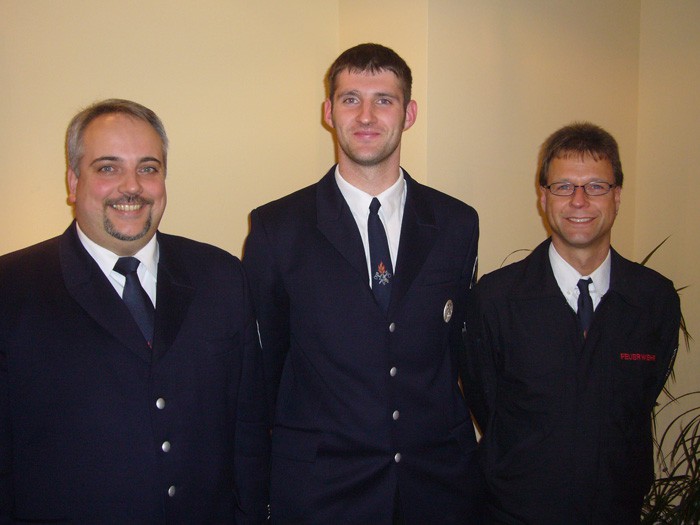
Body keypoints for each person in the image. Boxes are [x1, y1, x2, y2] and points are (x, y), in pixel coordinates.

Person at [243, 43, 482, 524]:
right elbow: (265, 366)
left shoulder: (458, 222)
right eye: (351, 99)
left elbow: (456, 350)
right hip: (323, 491)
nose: (366, 115)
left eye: (384, 100)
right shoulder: (277, 228)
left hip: (438, 488)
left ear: (409, 113)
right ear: (329, 112)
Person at [0, 99, 269, 523]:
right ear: (73, 182)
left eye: (148, 168)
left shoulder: (221, 276)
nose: (132, 187)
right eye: (108, 168)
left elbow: (249, 426)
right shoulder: (13, 288)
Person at [463, 122, 680, 523]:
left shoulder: (655, 299)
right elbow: (486, 403)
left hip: (617, 511)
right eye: (563, 187)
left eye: (596, 186)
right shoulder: (494, 300)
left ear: (617, 196)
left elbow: (639, 401)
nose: (579, 201)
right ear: (543, 198)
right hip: (514, 512)